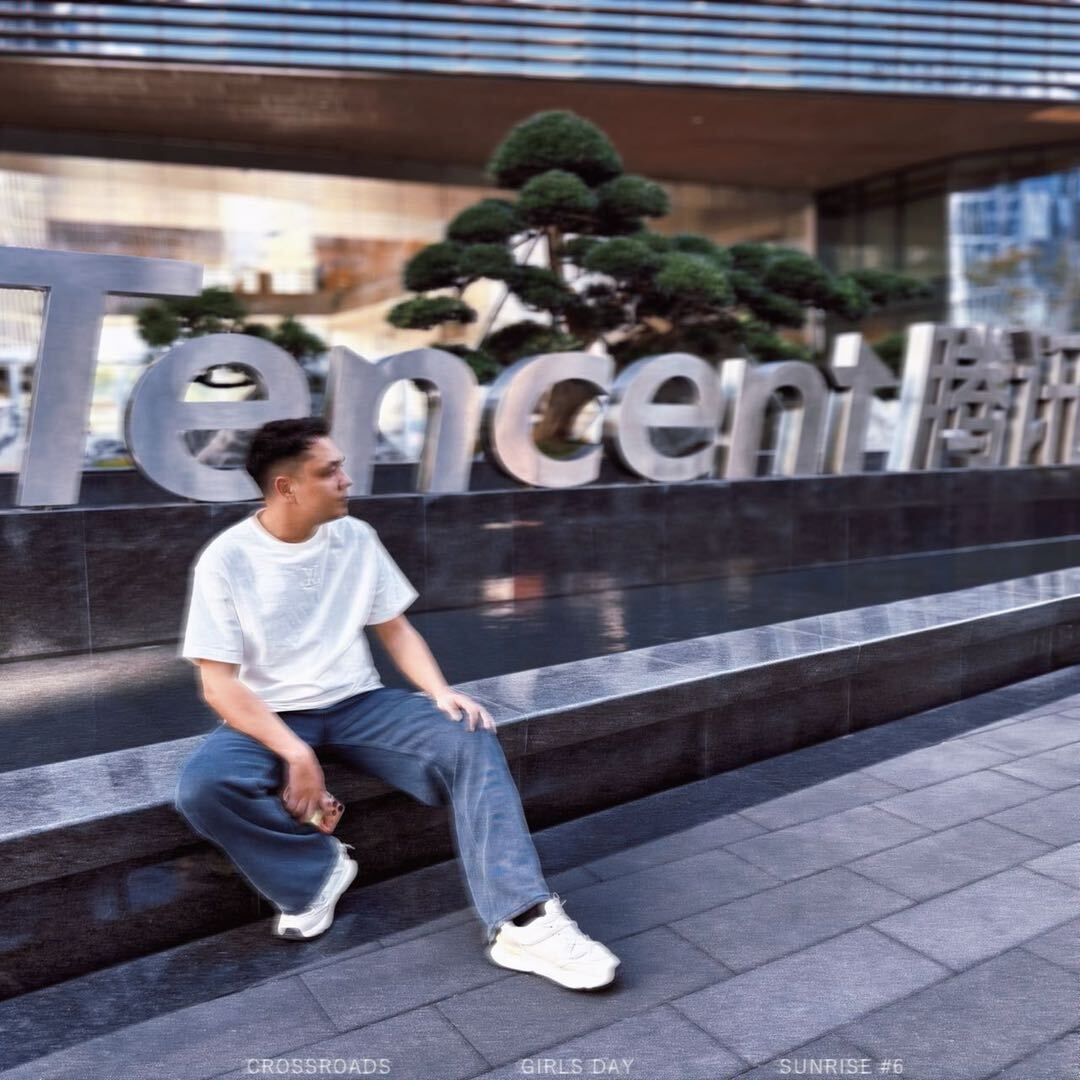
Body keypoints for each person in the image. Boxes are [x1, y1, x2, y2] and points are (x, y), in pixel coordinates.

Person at [173, 416, 620, 991]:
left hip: (358, 703)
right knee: (204, 787)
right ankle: (316, 875)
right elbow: (218, 685)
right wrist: (297, 755)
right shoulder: (228, 558)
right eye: (329, 471)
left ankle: (522, 921)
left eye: (341, 468)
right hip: (269, 714)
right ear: (287, 487)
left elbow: (395, 628)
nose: (346, 480)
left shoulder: (356, 537)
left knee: (469, 738)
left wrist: (439, 691)